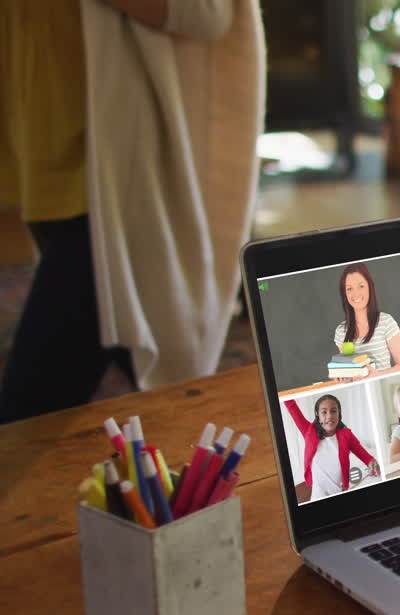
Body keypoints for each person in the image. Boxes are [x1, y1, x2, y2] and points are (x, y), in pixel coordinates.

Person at [0, 0, 264, 423]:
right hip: (46, 163)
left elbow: (209, 11)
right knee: (146, 382)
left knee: (26, 412)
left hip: (116, 184)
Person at [284, 395, 380, 503]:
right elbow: (291, 406)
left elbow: (366, 457)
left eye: (333, 411)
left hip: (340, 492)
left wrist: (373, 464)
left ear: (339, 414)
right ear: (318, 415)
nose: (329, 416)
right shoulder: (308, 431)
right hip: (317, 497)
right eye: (324, 412)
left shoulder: (346, 435)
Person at [333, 263, 400, 379]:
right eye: (349, 289)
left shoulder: (386, 322)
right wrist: (343, 378)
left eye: (361, 286)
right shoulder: (341, 332)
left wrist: (377, 375)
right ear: (345, 293)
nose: (355, 294)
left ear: (370, 287)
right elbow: (350, 375)